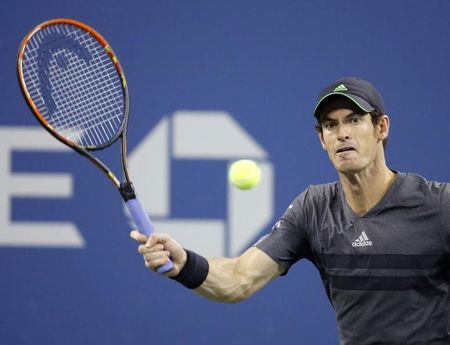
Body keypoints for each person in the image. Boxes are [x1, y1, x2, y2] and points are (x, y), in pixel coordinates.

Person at [130, 77, 450, 344]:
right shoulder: (313, 208)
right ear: (321, 139)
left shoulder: (439, 205)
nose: (342, 133)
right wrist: (184, 263)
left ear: (381, 127)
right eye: (330, 125)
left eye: (354, 120)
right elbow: (240, 279)